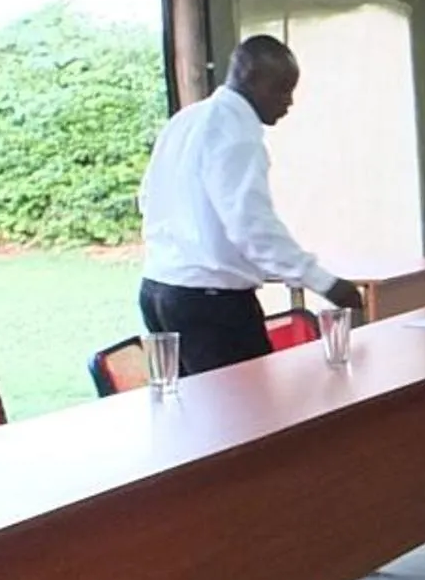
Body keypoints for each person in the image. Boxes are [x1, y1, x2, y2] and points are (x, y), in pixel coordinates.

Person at [137, 36, 364, 374]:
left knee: (193, 417)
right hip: (210, 304)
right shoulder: (237, 133)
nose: (289, 102)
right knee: (249, 417)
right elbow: (251, 224)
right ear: (250, 78)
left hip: (158, 291)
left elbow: (147, 199)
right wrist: (325, 282)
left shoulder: (185, 120)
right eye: (281, 89)